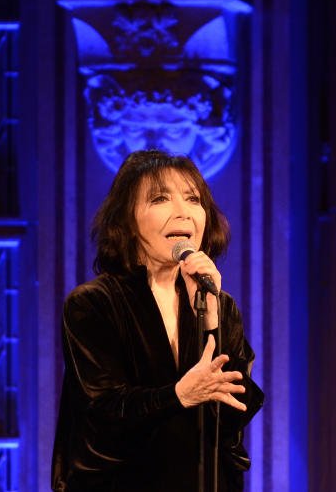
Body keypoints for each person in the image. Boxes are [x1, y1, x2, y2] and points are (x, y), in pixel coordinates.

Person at [51, 150, 262, 491]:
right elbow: (103, 412)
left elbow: (233, 415)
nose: (183, 212)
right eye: (161, 198)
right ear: (127, 221)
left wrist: (211, 319)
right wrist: (179, 395)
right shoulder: (93, 304)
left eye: (193, 199)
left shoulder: (220, 306)